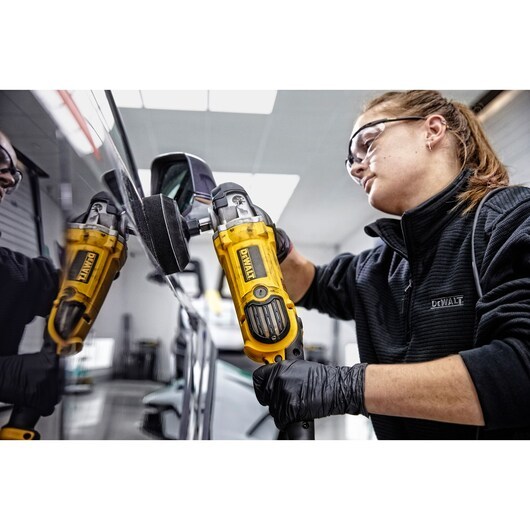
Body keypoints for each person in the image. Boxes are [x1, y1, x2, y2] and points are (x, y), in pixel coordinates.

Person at [253, 90, 530, 440]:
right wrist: (272, 249)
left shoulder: (510, 219)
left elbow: (521, 372)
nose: (356, 168)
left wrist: (350, 387)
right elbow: (312, 285)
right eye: (351, 161)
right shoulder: (381, 264)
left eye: (367, 143)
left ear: (432, 130)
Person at [0, 130, 61, 433]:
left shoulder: (7, 270)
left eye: (13, 174)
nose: (8, 179)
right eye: (1, 160)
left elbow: (44, 285)